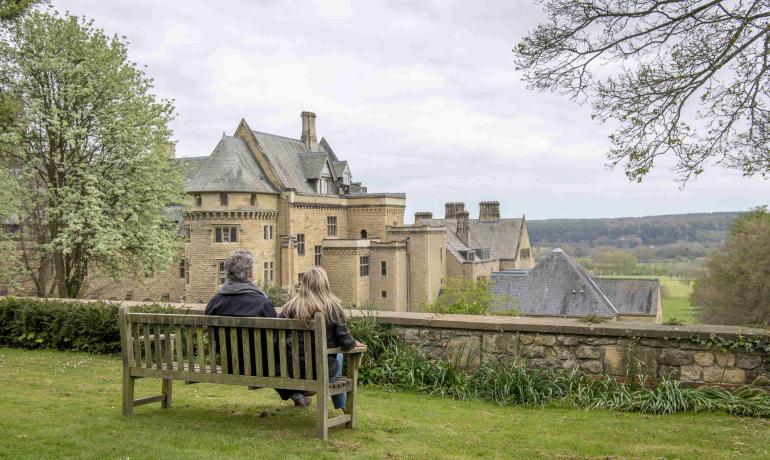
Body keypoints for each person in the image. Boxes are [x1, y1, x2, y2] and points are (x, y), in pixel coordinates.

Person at [205, 249, 309, 407]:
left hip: (231, 364)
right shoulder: (262, 303)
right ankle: (299, 391)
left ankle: (297, 395)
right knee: (281, 351)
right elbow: (278, 334)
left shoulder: (215, 302)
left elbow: (212, 335)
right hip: (261, 365)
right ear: (249, 273)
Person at [281, 266, 363, 412]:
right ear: (325, 285)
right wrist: (355, 343)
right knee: (338, 356)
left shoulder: (290, 308)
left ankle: (301, 396)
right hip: (322, 373)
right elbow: (346, 344)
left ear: (304, 285)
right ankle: (344, 407)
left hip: (294, 371)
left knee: (329, 357)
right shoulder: (332, 308)